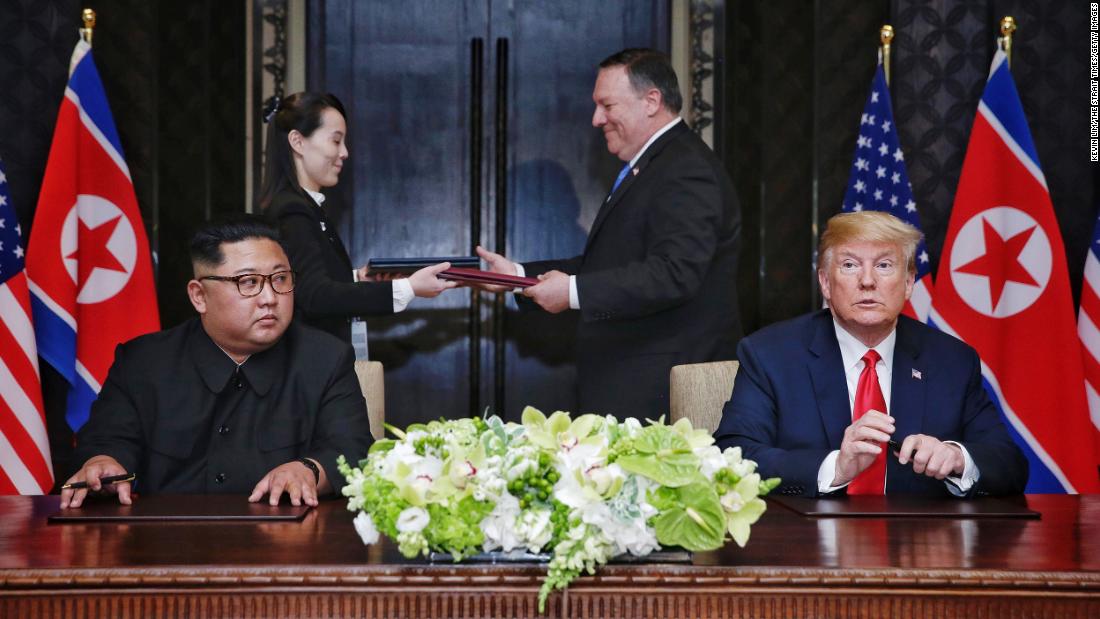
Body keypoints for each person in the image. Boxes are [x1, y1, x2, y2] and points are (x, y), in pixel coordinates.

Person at [476, 48, 742, 418]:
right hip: (634, 380)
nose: (596, 119)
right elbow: (612, 262)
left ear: (651, 101)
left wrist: (570, 293)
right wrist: (519, 277)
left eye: (607, 105)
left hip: (662, 391)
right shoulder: (655, 164)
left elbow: (673, 273)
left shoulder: (684, 170)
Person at [60, 216, 374, 508]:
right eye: (249, 282)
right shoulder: (143, 362)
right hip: (162, 548)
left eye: (280, 278)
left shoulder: (326, 359)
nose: (270, 298)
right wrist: (102, 462)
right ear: (199, 296)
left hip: (285, 549)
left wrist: (309, 470)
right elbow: (106, 439)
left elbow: (353, 449)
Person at [714, 211, 1028, 497]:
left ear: (908, 283)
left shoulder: (952, 361)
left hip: (920, 546)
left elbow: (1010, 465)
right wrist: (834, 468)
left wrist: (958, 458)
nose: (867, 281)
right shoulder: (771, 355)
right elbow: (732, 456)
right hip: (807, 543)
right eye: (850, 265)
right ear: (825, 282)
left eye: (884, 265)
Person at [258, 91, 456, 344]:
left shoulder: (305, 206)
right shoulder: (292, 210)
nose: (345, 153)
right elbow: (314, 296)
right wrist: (409, 288)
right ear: (298, 142)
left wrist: (357, 280)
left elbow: (308, 280)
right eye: (335, 141)